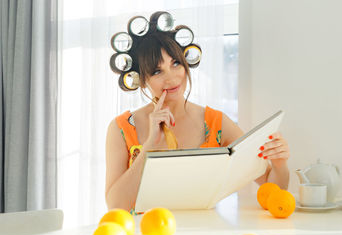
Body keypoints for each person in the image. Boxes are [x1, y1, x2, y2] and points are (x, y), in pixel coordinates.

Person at [105, 12, 290, 212]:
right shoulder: (121, 129)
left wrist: (279, 163)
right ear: (142, 79)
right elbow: (116, 205)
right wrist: (149, 145)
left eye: (175, 63)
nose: (172, 77)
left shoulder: (216, 123)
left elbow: (274, 189)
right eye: (157, 71)